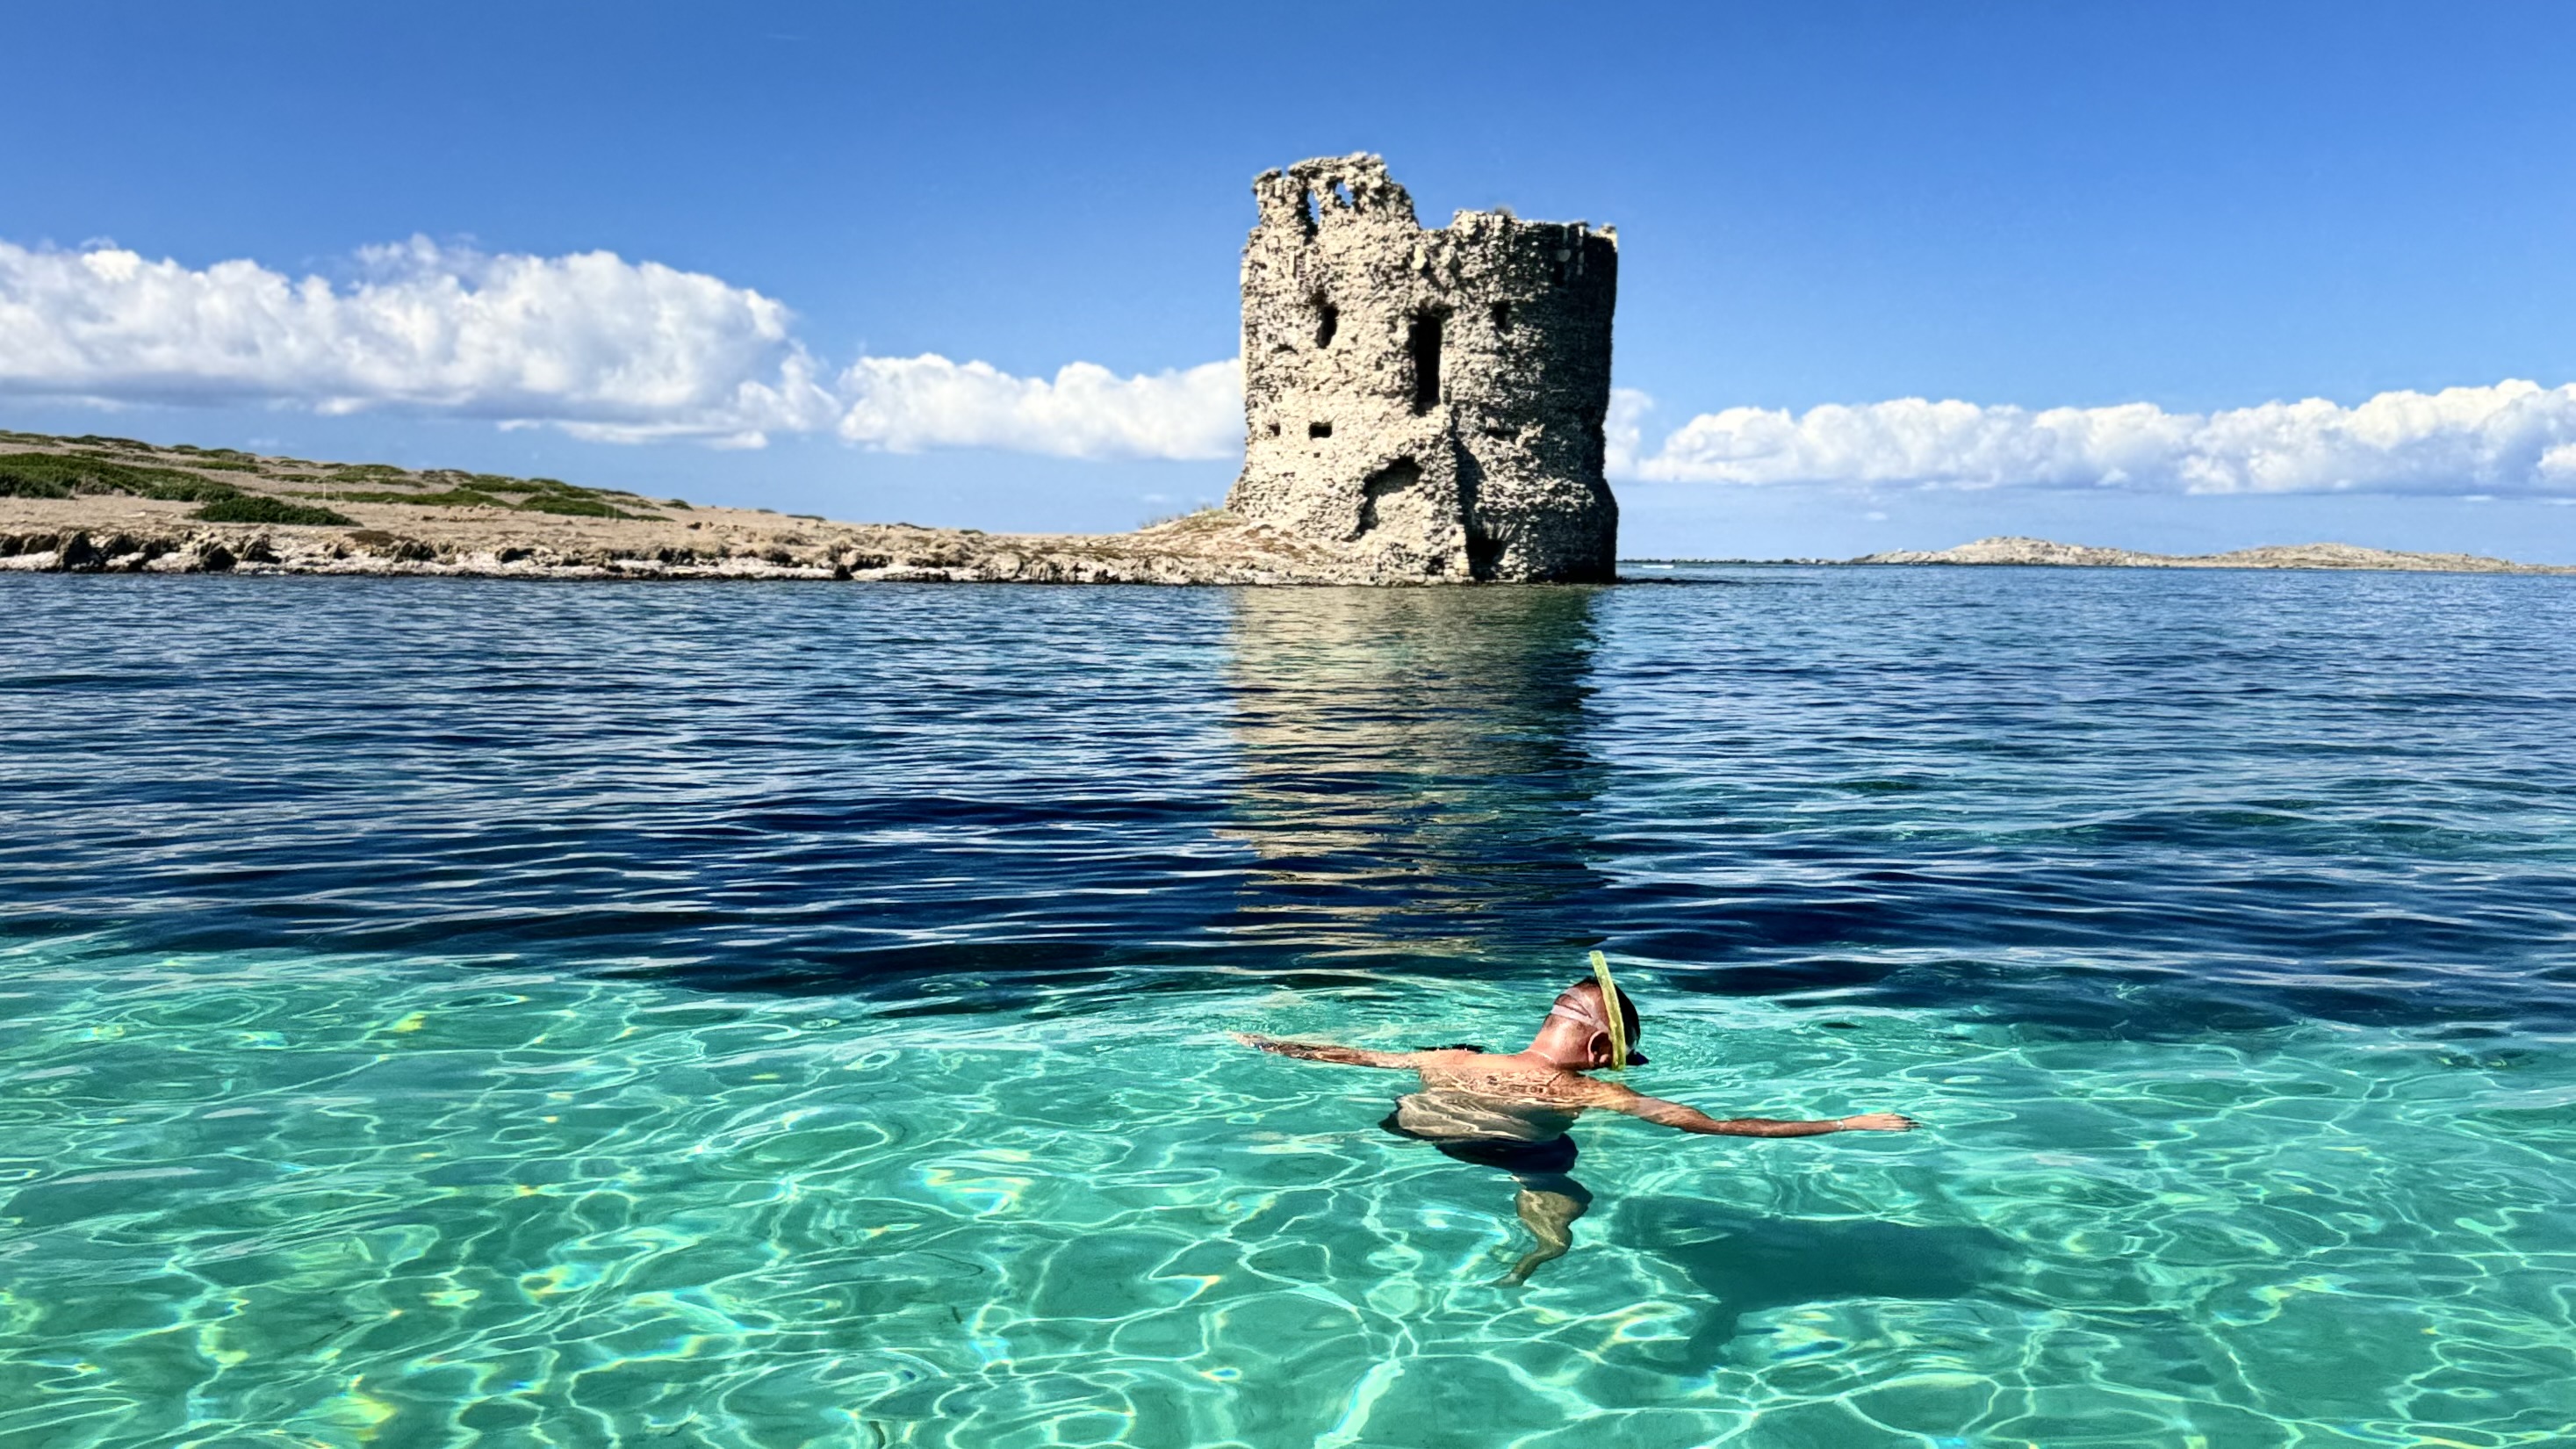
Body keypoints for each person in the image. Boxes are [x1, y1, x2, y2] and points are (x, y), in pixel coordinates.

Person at [1234, 977, 1918, 1284]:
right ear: (1597, 1053)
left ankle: (1330, 1143)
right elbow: (1720, 1128)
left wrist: (1269, 1044)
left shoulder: (1450, 1055)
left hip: (1414, 1122)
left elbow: (1349, 1056)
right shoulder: (1583, 1089)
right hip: (1506, 1148)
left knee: (1405, 1123)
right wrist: (1848, 1121)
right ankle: (1543, 1244)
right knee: (1562, 1170)